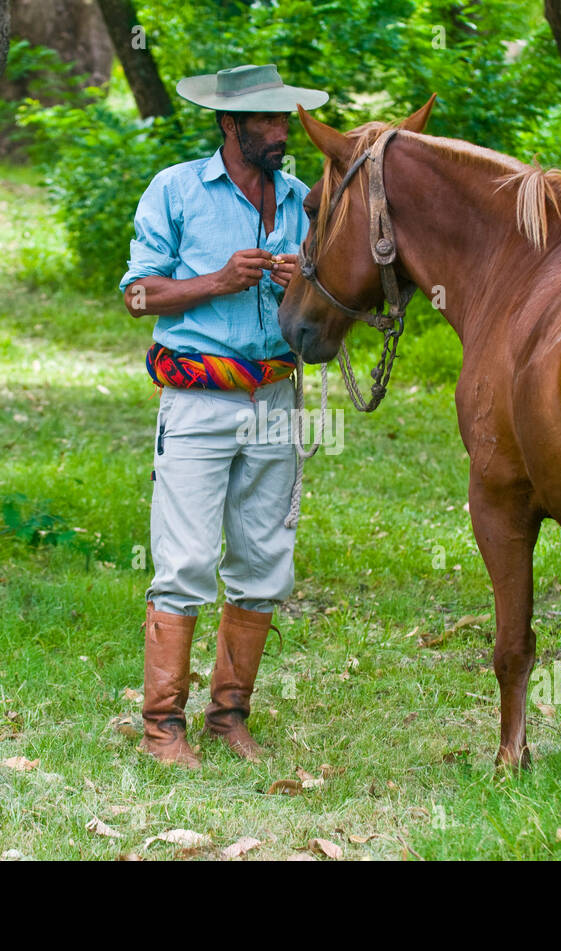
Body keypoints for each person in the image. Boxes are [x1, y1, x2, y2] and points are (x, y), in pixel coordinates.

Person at [119, 65, 330, 767]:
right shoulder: (176, 191)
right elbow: (138, 300)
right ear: (228, 125)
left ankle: (229, 717)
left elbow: (331, 302)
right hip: (198, 399)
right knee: (182, 561)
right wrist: (218, 281)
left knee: (265, 561)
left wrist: (301, 276)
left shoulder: (303, 200)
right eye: (266, 122)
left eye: (283, 119)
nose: (280, 132)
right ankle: (160, 728)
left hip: (274, 397)